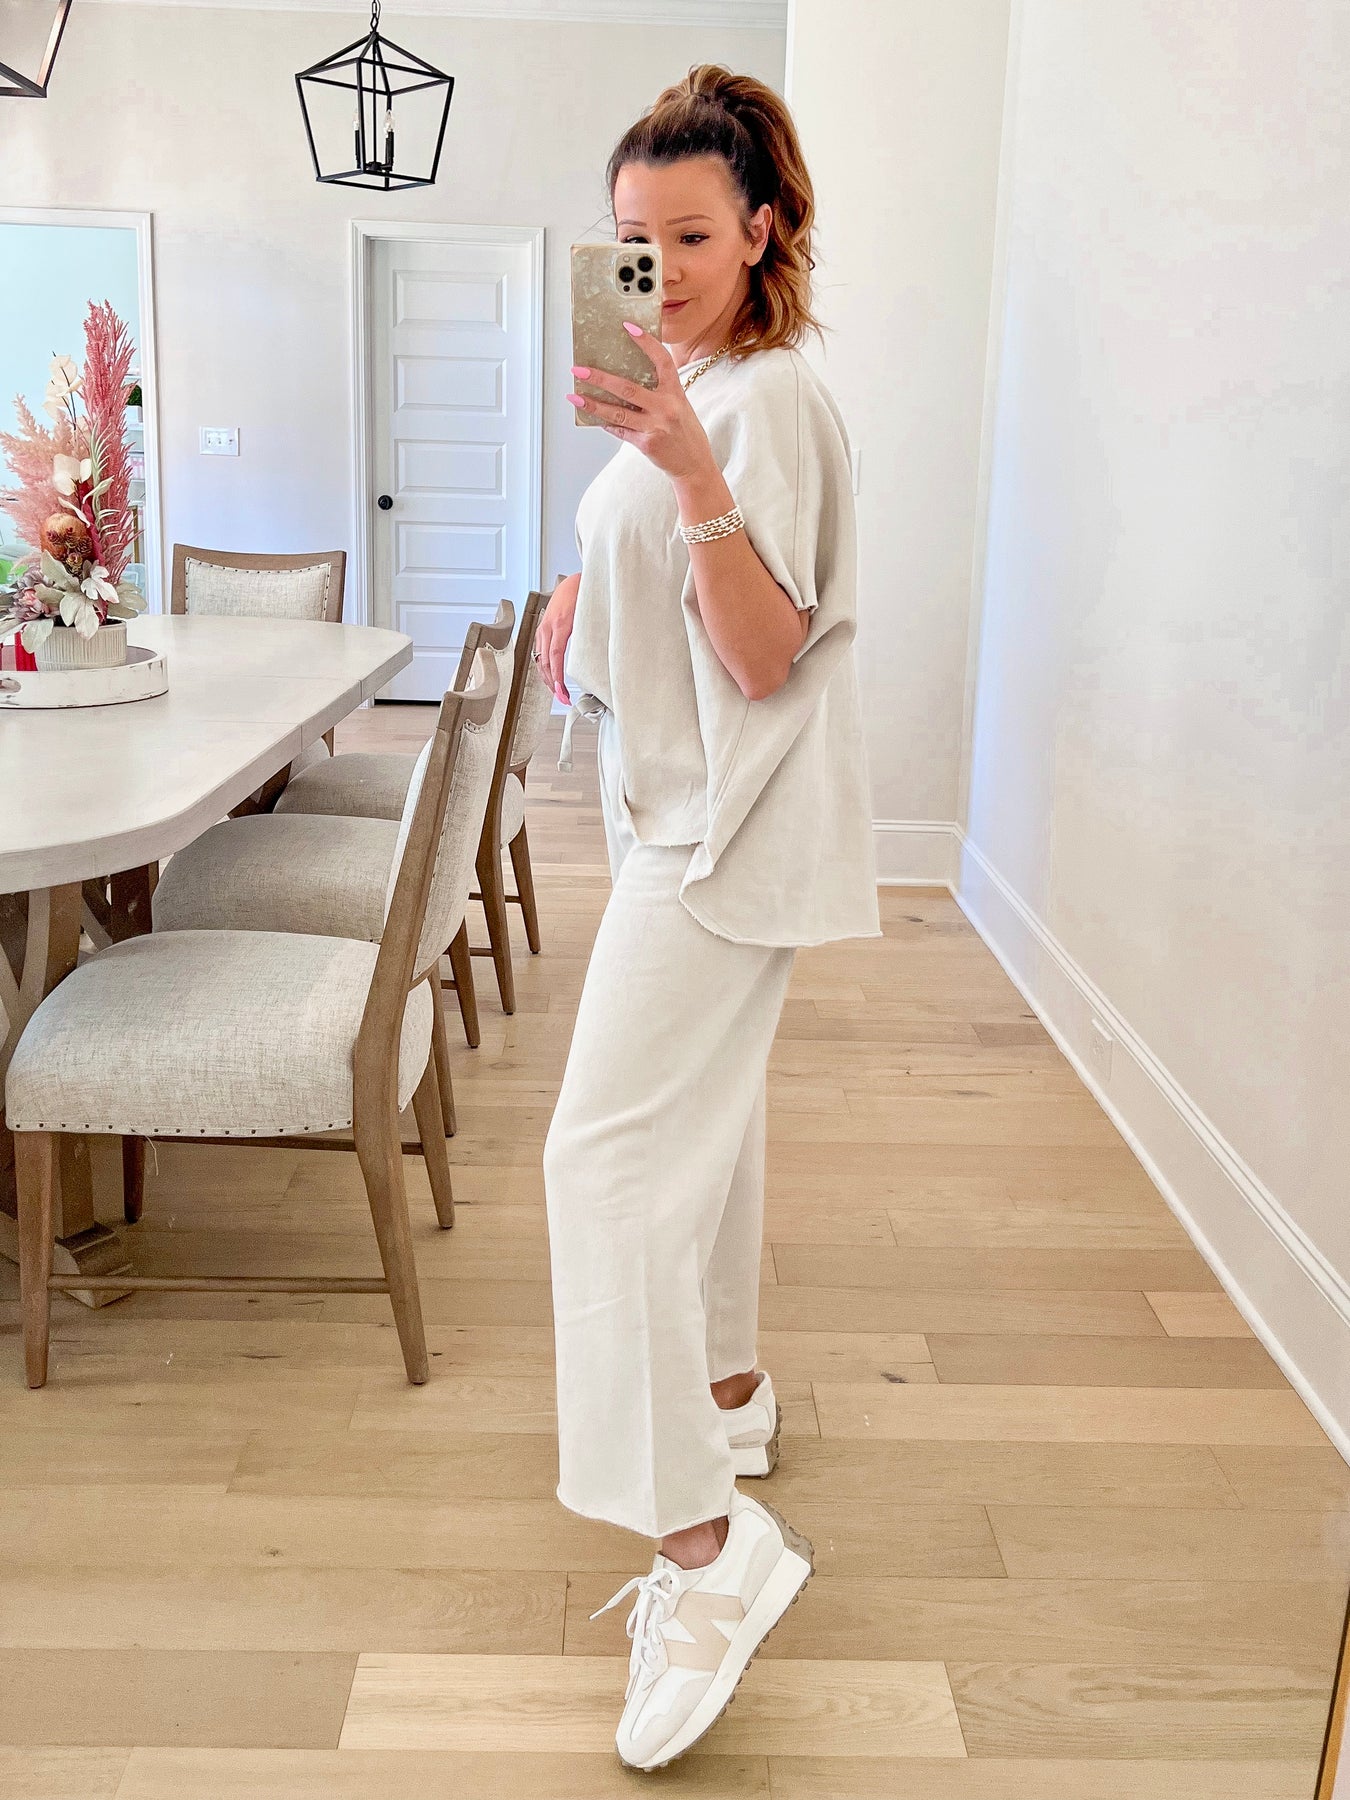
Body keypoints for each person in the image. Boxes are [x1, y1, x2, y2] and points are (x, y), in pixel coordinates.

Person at [536, 63, 881, 1772]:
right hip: (667, 804)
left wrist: (682, 468)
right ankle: (727, 1398)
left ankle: (704, 1550)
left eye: (687, 233)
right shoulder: (691, 385)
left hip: (723, 831)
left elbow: (760, 653)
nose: (657, 266)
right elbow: (660, 580)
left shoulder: (768, 401)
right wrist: (579, 587)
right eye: (632, 238)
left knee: (596, 1162)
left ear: (758, 229)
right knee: (706, 1127)